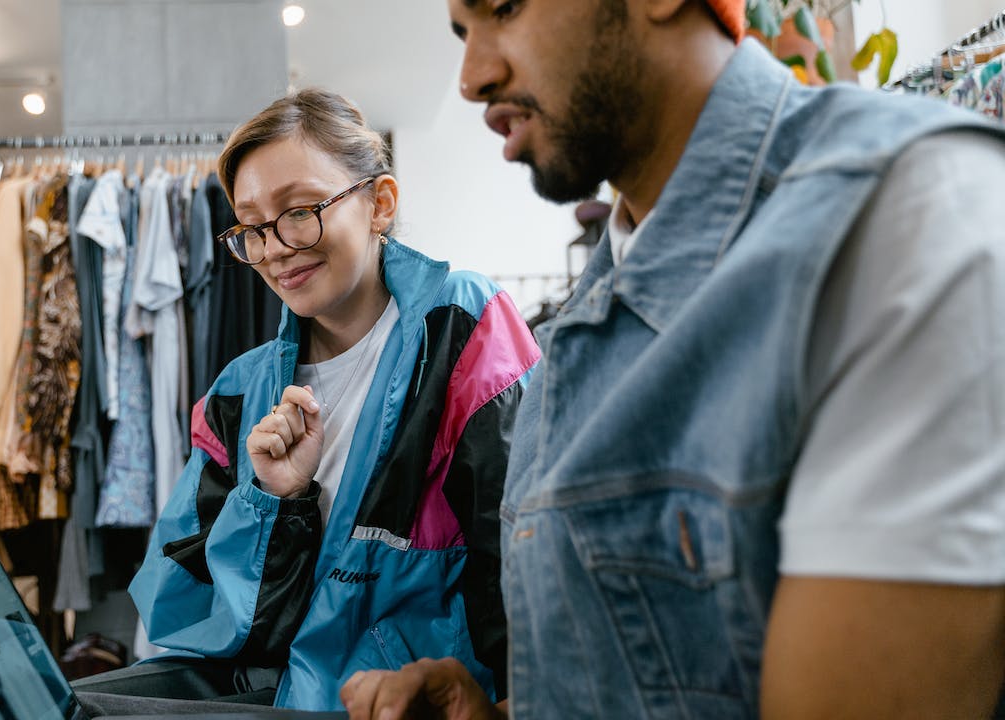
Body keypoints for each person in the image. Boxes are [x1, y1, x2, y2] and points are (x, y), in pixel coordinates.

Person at [340, 0, 1005, 718]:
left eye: (504, 8)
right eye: (462, 33)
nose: (472, 77)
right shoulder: (581, 327)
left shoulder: (897, 217)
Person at [86, 88, 539, 714]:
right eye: (252, 227)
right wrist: (276, 503)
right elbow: (182, 614)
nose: (274, 248)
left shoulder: (462, 327)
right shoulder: (237, 394)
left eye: (299, 211)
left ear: (379, 203)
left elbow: (520, 560)